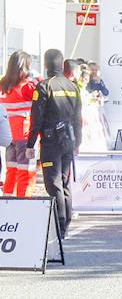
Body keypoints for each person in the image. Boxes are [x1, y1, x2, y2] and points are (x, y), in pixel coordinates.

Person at [26, 49, 82, 237]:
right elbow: (77, 118)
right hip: (69, 141)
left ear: (46, 64)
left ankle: (59, 224)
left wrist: (30, 144)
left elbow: (36, 119)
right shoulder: (73, 87)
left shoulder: (44, 86)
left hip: (51, 143)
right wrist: (77, 143)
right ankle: (65, 223)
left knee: (53, 183)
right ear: (61, 64)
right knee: (65, 182)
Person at [0, 50, 38, 197]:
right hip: (26, 137)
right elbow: (42, 87)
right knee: (26, 173)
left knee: (11, 171)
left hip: (8, 137)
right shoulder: (29, 86)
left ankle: (6, 204)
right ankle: (24, 206)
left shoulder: (2, 86)